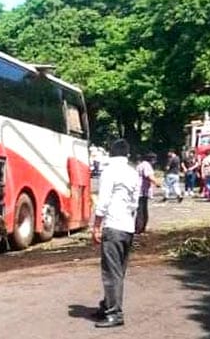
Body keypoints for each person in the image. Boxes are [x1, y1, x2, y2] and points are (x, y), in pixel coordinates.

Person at [92, 139, 139, 328]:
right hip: (127, 228)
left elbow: (103, 201)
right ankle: (107, 305)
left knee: (111, 273)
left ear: (111, 153)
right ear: (127, 154)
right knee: (118, 271)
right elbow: (135, 203)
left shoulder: (109, 171)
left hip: (113, 226)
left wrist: (96, 226)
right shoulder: (133, 173)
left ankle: (114, 313)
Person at [135, 152, 159, 234]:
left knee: (140, 210)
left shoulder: (140, 165)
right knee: (142, 211)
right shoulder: (146, 165)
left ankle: (139, 227)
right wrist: (157, 183)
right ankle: (140, 228)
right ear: (152, 159)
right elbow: (149, 176)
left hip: (139, 191)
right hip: (142, 191)